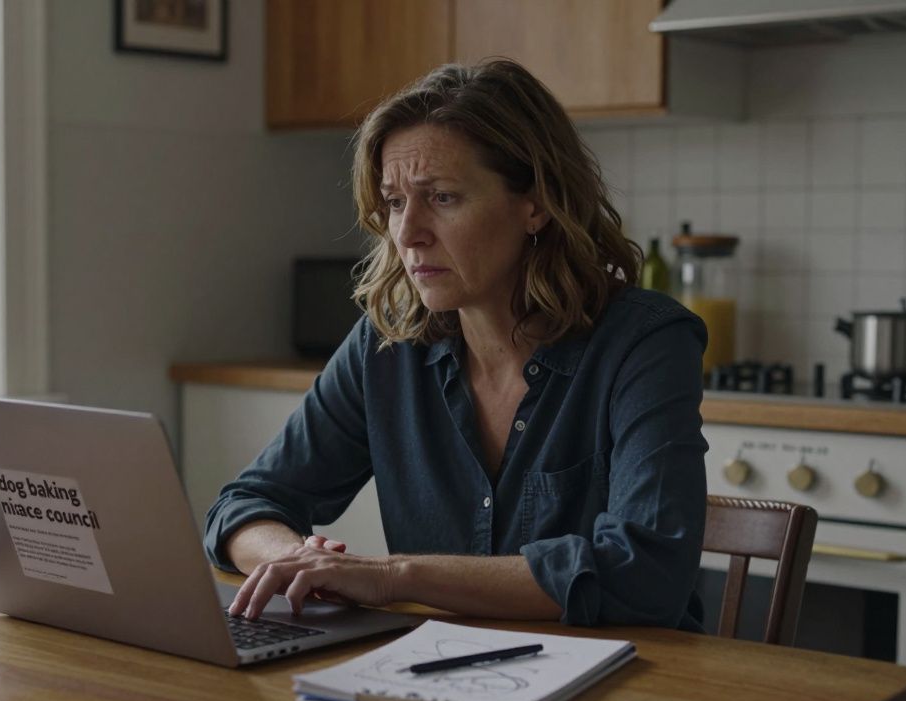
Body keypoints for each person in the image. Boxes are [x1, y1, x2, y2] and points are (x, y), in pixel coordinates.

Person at [206, 59, 709, 631]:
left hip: (628, 684)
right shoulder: (386, 343)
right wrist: (297, 564)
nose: (407, 232)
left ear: (536, 203)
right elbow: (243, 507)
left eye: (442, 197)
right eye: (395, 202)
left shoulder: (645, 343)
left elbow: (645, 572)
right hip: (439, 676)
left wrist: (392, 576)